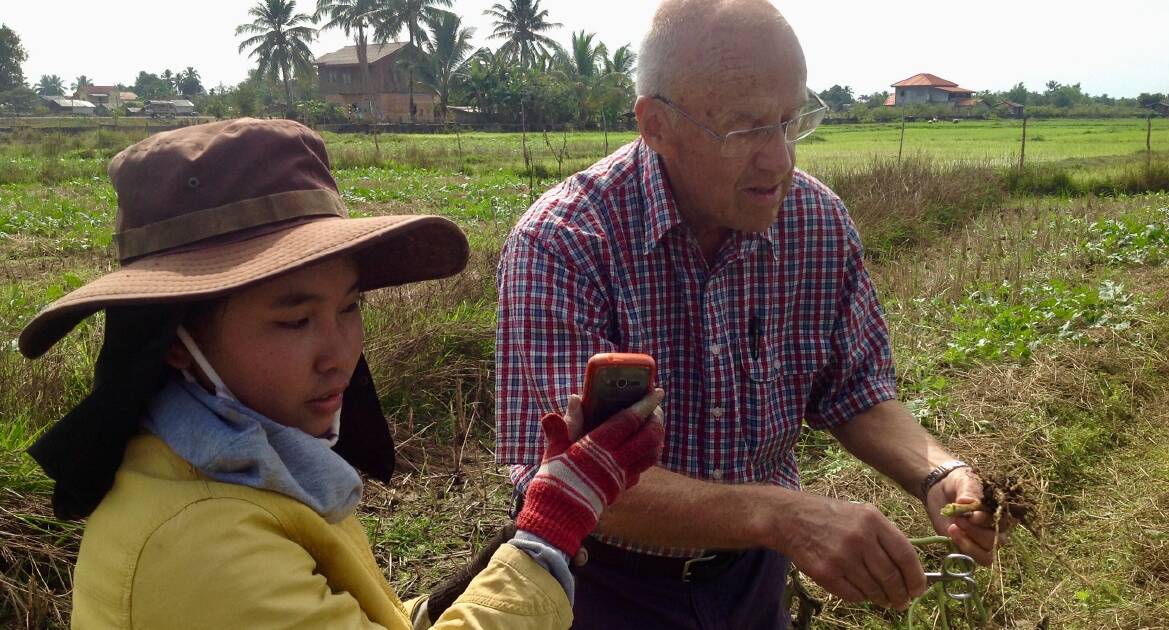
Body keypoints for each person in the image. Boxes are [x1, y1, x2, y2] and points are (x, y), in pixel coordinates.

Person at [17, 118, 664, 629]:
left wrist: (522, 535)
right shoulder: (195, 543)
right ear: (178, 343)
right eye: (295, 321)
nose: (339, 353)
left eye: (349, 307)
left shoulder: (252, 464)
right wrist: (552, 528)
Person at [494, 0, 1012, 627]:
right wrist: (784, 516)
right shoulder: (566, 242)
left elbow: (856, 390)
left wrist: (939, 473)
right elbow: (566, 477)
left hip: (752, 581)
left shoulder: (815, 223)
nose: (781, 160)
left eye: (791, 123)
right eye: (746, 130)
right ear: (657, 125)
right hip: (596, 586)